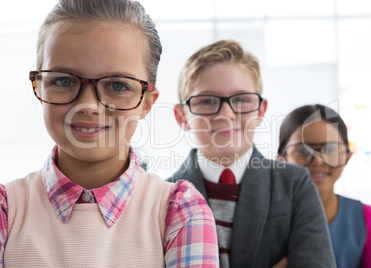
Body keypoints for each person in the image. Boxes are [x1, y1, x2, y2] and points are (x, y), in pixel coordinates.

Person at [0, 0, 219, 266]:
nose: (89, 106)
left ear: (147, 102)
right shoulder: (7, 210)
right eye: (64, 81)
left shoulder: (180, 212)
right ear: (41, 87)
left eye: (117, 85)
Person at [167, 40, 336, 267]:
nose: (226, 113)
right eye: (207, 101)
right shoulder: (161, 198)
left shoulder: (295, 185)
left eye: (241, 100)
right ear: (182, 117)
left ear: (260, 111)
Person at [277, 104, 371, 268]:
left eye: (330, 149)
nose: (317, 161)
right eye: (302, 151)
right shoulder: (266, 218)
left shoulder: (366, 218)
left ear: (347, 156)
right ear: (281, 160)